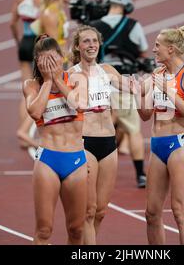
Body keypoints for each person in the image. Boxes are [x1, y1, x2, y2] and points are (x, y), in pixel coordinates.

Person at [69, 25, 136, 244]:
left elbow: (133, 88)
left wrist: (159, 77)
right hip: (85, 142)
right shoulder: (70, 75)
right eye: (86, 41)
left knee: (101, 211)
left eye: (94, 41)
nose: (91, 45)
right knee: (88, 211)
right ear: (78, 46)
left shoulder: (108, 71)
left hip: (109, 142)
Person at [137, 25, 184, 245]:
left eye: (157, 46)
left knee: (179, 213)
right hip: (158, 145)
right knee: (151, 213)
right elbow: (145, 116)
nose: (153, 50)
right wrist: (139, 94)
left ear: (171, 49)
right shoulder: (157, 74)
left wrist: (167, 91)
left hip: (180, 146)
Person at [23, 36, 88, 244]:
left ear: (63, 58)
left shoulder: (78, 79)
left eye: (53, 59)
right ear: (37, 63)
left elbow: (79, 104)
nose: (50, 65)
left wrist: (58, 80)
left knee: (77, 229)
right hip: (47, 160)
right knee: (44, 230)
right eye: (44, 61)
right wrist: (48, 81)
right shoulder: (32, 85)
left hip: (75, 160)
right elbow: (34, 112)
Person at [90, 0, 148, 188]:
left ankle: (92, 168)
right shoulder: (133, 25)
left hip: (100, 81)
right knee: (133, 130)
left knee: (98, 128)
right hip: (124, 80)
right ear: (128, 5)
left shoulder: (94, 26)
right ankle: (140, 174)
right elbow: (142, 51)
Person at [9, 0, 50, 149]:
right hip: (38, 43)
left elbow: (11, 22)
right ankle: (30, 130)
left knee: (26, 88)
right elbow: (45, 22)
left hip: (25, 42)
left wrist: (19, 41)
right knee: (41, 87)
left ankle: (21, 131)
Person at [35, 0, 73, 64]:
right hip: (54, 65)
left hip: (63, 61)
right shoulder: (50, 14)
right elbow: (52, 46)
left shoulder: (60, 11)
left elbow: (62, 39)